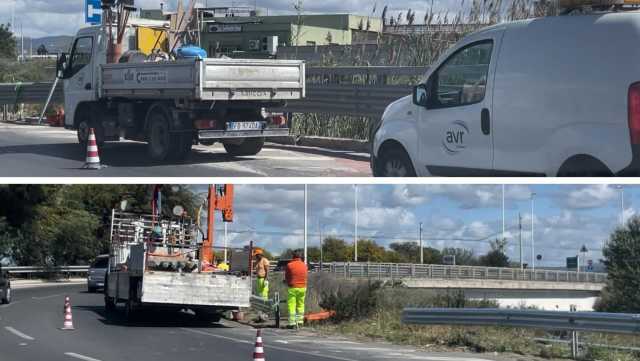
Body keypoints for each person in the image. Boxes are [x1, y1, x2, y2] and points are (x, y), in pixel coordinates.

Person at [285, 250, 308, 328]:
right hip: (303, 288)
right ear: (300, 257)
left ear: (293, 257)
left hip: (293, 288)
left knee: (292, 305)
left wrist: (287, 283)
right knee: (301, 305)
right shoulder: (304, 265)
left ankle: (292, 323)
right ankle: (300, 322)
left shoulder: (289, 265)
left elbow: (287, 277)